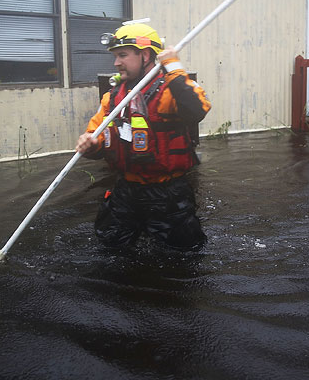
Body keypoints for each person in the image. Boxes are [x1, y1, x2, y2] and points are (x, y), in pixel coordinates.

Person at [76, 22, 211, 251]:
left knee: (181, 256)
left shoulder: (171, 90)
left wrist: (173, 65)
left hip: (167, 194)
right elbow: (96, 133)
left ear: (146, 55)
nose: (116, 63)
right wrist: (91, 144)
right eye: (115, 56)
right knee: (111, 247)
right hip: (126, 190)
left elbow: (197, 109)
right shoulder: (113, 98)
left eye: (122, 55)